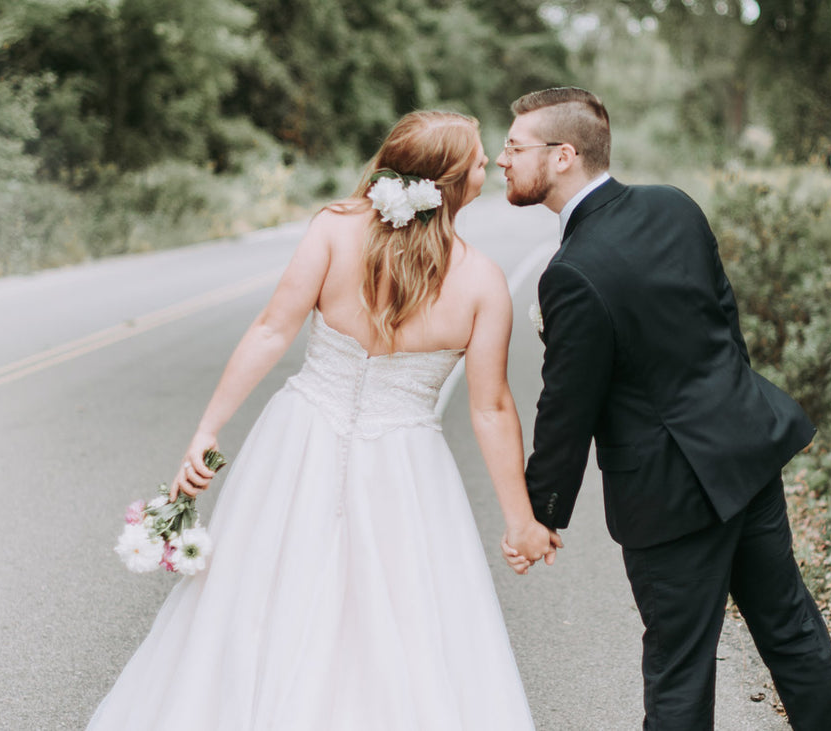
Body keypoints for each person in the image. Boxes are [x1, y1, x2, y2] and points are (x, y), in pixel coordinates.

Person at [86, 110, 550, 731]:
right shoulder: (484, 283)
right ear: (450, 182)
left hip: (300, 439)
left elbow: (272, 329)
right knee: (396, 617)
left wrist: (207, 430)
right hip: (404, 467)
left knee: (263, 598)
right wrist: (520, 522)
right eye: (477, 158)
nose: (488, 163)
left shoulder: (334, 231)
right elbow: (490, 408)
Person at [495, 87, 831, 730]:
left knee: (678, 667)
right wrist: (734, 409)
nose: (501, 159)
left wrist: (539, 511)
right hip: (744, 452)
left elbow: (567, 408)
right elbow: (723, 325)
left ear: (562, 156)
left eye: (513, 146)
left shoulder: (572, 272)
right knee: (791, 630)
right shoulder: (674, 206)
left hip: (669, 495)